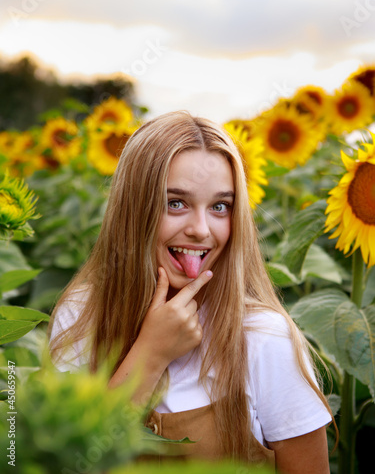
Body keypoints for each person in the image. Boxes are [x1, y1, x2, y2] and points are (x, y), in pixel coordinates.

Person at [49, 111, 334, 473]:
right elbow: (65, 464)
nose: (201, 230)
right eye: (176, 203)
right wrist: (150, 355)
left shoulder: (263, 337)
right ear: (133, 210)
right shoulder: (81, 317)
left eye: (220, 206)